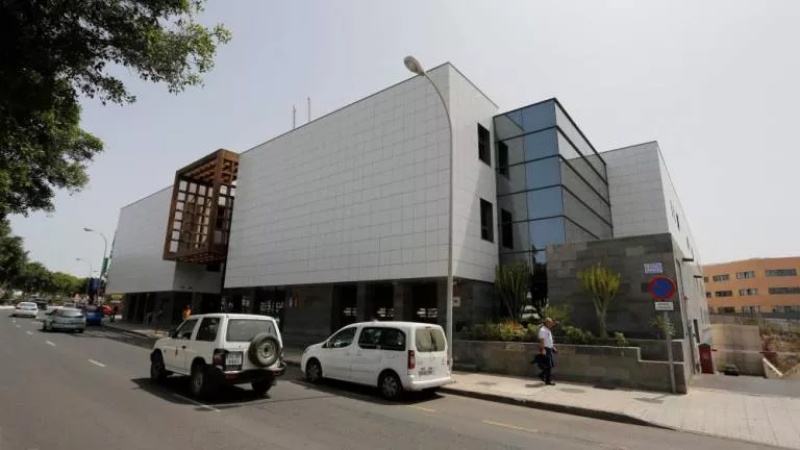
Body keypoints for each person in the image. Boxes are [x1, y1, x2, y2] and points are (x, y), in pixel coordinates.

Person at [537, 317, 557, 386]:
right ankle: (547, 381)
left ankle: (542, 375)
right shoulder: (543, 330)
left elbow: (549, 340)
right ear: (547, 323)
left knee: (549, 365)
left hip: (549, 349)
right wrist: (543, 349)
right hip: (545, 349)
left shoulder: (548, 330)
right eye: (551, 323)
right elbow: (542, 340)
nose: (552, 324)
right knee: (549, 366)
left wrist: (553, 347)